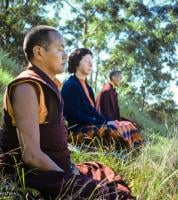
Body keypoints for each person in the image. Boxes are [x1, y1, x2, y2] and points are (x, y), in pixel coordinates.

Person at [0, 25, 135, 199]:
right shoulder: (26, 87)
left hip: (58, 165)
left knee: (105, 176)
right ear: (39, 52)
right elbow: (31, 155)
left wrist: (70, 166)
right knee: (110, 195)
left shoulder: (49, 84)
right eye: (60, 49)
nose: (65, 55)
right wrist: (69, 177)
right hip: (37, 173)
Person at [61, 48, 144, 148]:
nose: (91, 65)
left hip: (90, 125)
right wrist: (104, 123)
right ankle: (122, 155)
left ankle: (134, 153)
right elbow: (76, 117)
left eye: (92, 62)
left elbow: (94, 113)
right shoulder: (70, 85)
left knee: (127, 125)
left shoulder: (88, 88)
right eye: (87, 61)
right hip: (76, 131)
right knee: (112, 130)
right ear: (77, 62)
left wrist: (109, 121)